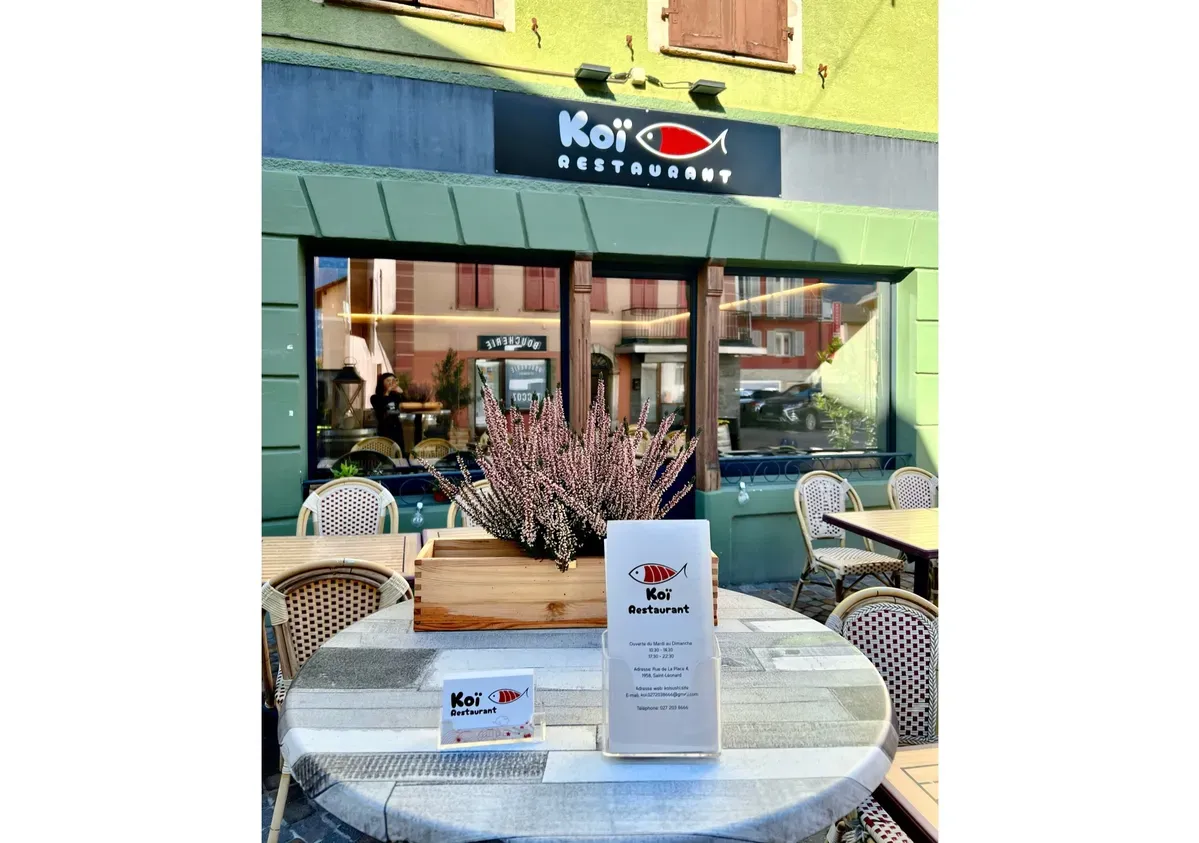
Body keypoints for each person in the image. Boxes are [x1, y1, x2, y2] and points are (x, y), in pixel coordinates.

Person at [370, 373, 407, 456]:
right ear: (381, 383)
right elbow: (381, 407)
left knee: (400, 452)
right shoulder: (375, 398)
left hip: (397, 428)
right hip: (384, 429)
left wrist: (402, 393)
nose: (391, 383)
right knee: (385, 453)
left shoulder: (396, 397)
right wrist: (387, 392)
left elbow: (406, 405)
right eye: (388, 381)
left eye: (393, 381)